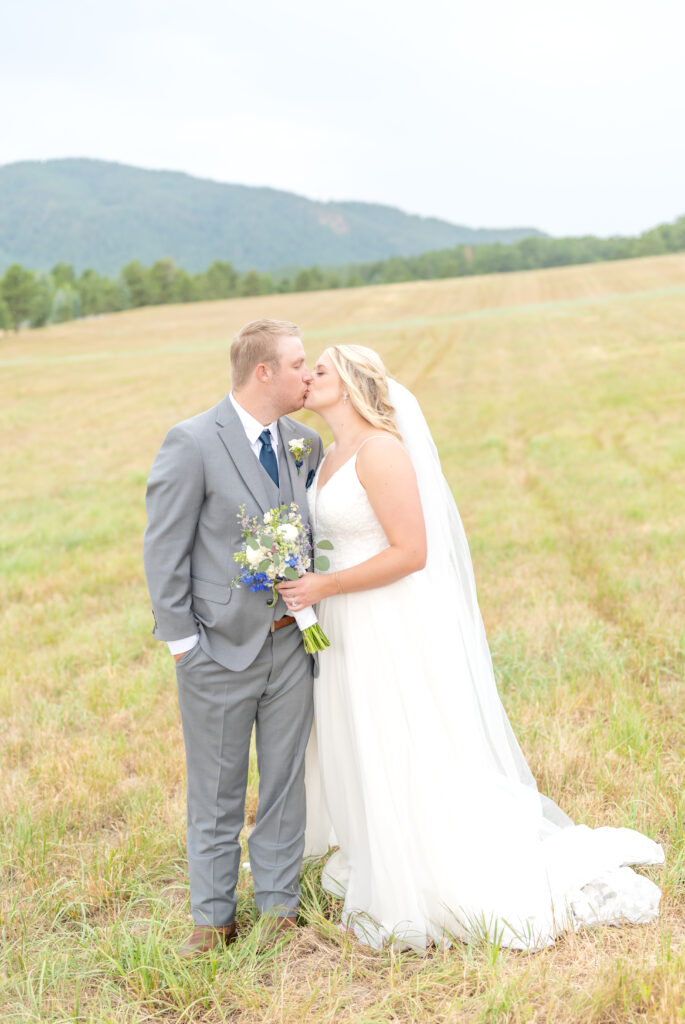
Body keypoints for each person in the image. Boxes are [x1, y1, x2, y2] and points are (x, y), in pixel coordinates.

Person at [276, 344, 664, 952]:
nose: (307, 379)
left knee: (400, 734)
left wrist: (329, 584)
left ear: (348, 386)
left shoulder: (381, 453)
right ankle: (378, 848)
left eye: (318, 371)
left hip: (383, 619)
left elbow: (412, 553)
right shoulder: (328, 456)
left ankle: (424, 863)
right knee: (359, 733)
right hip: (340, 622)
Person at [143, 318, 323, 956]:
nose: (312, 374)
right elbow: (164, 551)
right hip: (217, 649)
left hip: (291, 645)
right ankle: (213, 919)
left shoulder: (305, 443)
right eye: (300, 364)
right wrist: (184, 647)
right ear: (263, 372)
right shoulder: (191, 442)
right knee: (216, 790)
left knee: (283, 782)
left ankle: (279, 909)